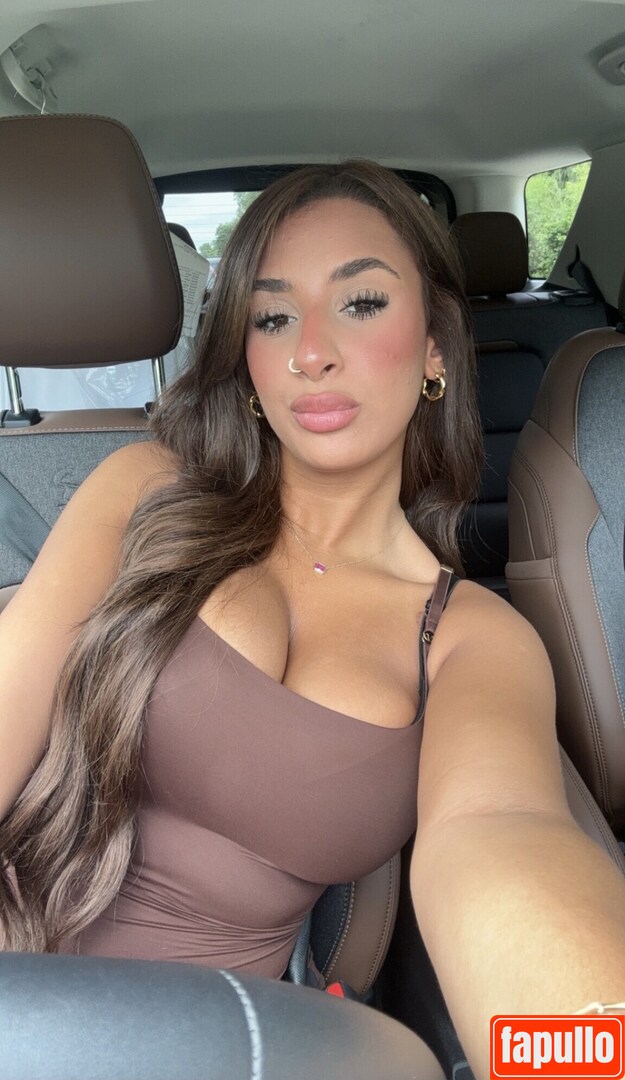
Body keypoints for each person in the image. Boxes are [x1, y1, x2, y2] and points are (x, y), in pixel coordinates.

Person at [0, 160, 624, 1078]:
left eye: (361, 303)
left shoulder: (470, 637)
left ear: (436, 349)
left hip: (229, 1050)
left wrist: (578, 1053)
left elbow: (503, 836)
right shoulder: (142, 493)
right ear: (248, 361)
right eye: (273, 317)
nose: (310, 352)